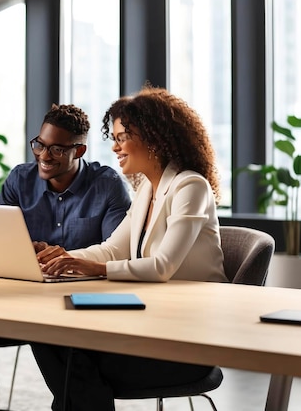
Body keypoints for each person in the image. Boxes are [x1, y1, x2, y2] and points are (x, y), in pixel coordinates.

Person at [32, 86, 228, 411]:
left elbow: (162, 265)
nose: (115, 146)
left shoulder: (190, 187)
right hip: (151, 322)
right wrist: (64, 258)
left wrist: (92, 268)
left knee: (72, 362)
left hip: (188, 339)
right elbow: (111, 250)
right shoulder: (147, 192)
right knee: (48, 337)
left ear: (153, 138)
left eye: (122, 137)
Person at [0, 104, 132, 411]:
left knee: (53, 331)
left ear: (80, 150)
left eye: (57, 150)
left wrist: (68, 258)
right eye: (40, 145)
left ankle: (68, 404)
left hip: (79, 301)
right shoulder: (20, 180)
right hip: (22, 296)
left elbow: (117, 252)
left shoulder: (107, 186)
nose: (44, 157)